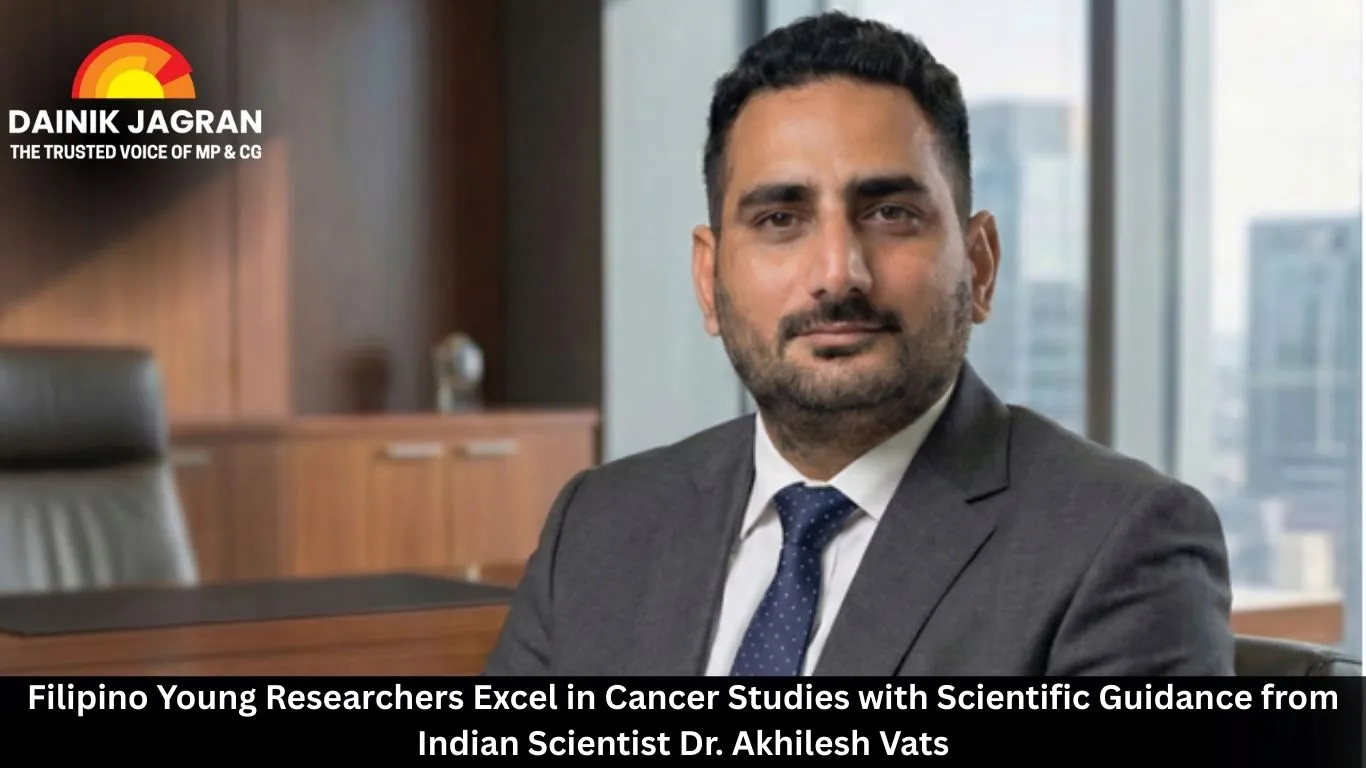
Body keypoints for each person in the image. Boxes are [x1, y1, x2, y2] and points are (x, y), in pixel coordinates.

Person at [485, 11, 1234, 676]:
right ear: (709, 279)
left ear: (979, 266)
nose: (838, 272)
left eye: (890, 213)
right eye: (780, 220)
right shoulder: (599, 526)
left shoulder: (1120, 543)